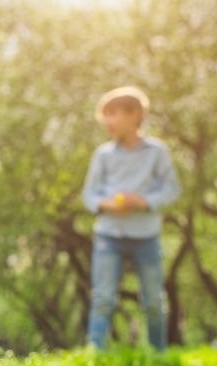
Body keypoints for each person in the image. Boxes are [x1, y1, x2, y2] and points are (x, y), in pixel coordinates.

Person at [81, 85, 180, 351]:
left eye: (114, 114)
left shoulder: (156, 152)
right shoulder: (103, 155)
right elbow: (89, 195)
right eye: (106, 115)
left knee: (153, 301)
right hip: (109, 234)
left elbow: (172, 189)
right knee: (102, 297)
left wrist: (144, 202)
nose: (108, 122)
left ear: (135, 114)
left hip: (146, 235)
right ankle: (95, 352)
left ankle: (159, 352)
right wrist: (107, 204)